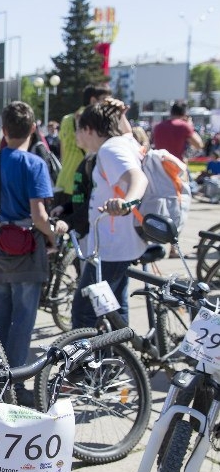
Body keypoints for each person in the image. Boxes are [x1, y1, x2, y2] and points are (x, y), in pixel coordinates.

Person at [0, 101, 68, 405]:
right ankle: (15, 385)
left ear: (3, 130)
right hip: (28, 249)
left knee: (1, 315)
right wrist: (53, 233)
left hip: (2, 246)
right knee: (24, 319)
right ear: (33, 128)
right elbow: (40, 215)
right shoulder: (34, 164)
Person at [70, 98, 149, 329]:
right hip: (120, 245)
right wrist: (121, 112)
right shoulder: (124, 142)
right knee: (116, 307)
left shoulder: (110, 149)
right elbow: (126, 131)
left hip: (110, 248)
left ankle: (85, 365)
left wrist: (127, 202)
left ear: (88, 129)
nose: (77, 136)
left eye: (79, 130)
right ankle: (122, 359)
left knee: (84, 313)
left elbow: (137, 178)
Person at [54, 84, 111, 205]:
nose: (108, 105)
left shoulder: (66, 119)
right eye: (105, 101)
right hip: (81, 185)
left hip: (63, 182)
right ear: (93, 100)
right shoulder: (95, 121)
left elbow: (63, 153)